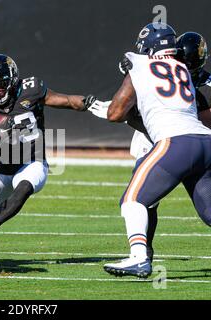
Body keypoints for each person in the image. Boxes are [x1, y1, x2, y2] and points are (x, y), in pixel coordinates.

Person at [87, 31, 211, 262]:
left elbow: (116, 113)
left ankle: (139, 257)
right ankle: (145, 253)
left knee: (133, 200)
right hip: (202, 141)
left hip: (173, 140)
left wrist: (114, 104)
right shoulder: (181, 68)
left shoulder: (139, 63)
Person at [0, 54, 96, 260]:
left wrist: (89, 103)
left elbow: (67, 100)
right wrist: (1, 132)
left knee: (23, 189)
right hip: (1, 166)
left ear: (13, 80)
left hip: (32, 160)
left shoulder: (31, 90)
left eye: (1, 85)